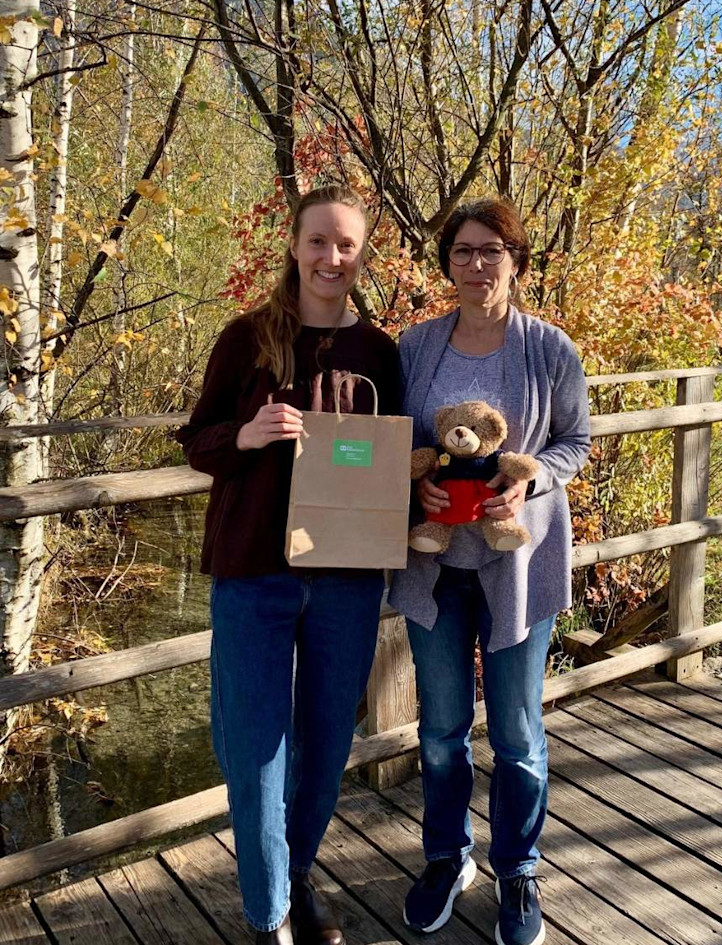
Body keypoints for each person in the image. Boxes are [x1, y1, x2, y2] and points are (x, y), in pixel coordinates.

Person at [177, 185, 402, 945]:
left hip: (346, 576)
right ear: (293, 246)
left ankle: (297, 870)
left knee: (328, 739)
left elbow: (399, 457)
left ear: (362, 253)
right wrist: (244, 435)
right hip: (253, 573)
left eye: (346, 245)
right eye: (318, 242)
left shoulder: (380, 351)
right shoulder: (248, 339)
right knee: (255, 743)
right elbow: (196, 437)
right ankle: (269, 912)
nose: (331, 258)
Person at [390, 197, 591, 945]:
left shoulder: (548, 348)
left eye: (491, 251)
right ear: (448, 261)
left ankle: (518, 866)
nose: (476, 264)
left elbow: (577, 439)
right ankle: (447, 857)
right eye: (463, 251)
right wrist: (417, 487)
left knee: (515, 729)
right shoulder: (416, 347)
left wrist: (533, 475)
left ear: (517, 260)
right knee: (441, 729)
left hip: (519, 564)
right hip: (434, 566)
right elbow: (396, 445)